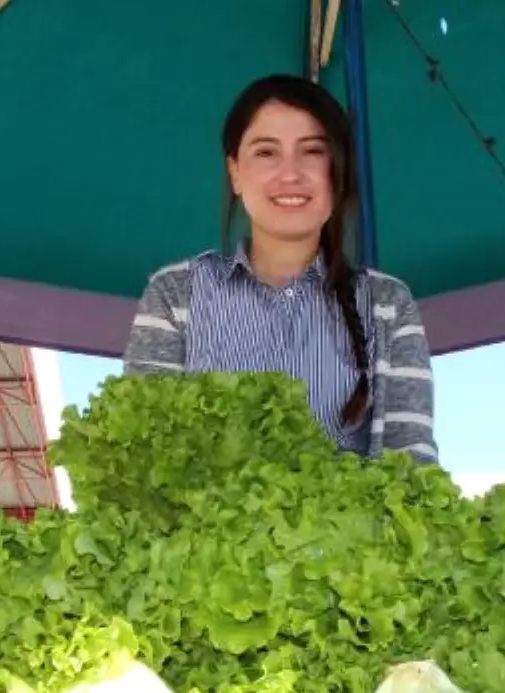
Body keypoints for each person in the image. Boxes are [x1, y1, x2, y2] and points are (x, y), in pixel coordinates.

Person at [123, 75, 438, 464]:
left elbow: (412, 466)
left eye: (312, 152)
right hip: (199, 528)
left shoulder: (387, 303)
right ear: (235, 171)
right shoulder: (174, 294)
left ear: (338, 172)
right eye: (266, 152)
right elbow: (143, 454)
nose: (290, 173)